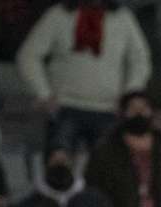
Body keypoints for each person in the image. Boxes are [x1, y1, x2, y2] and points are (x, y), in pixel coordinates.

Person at [17, 0, 153, 154]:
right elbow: (28, 55)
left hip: (108, 109)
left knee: (109, 172)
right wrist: (43, 93)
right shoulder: (58, 15)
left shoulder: (123, 18)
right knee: (59, 169)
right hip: (64, 107)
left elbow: (140, 59)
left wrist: (130, 97)